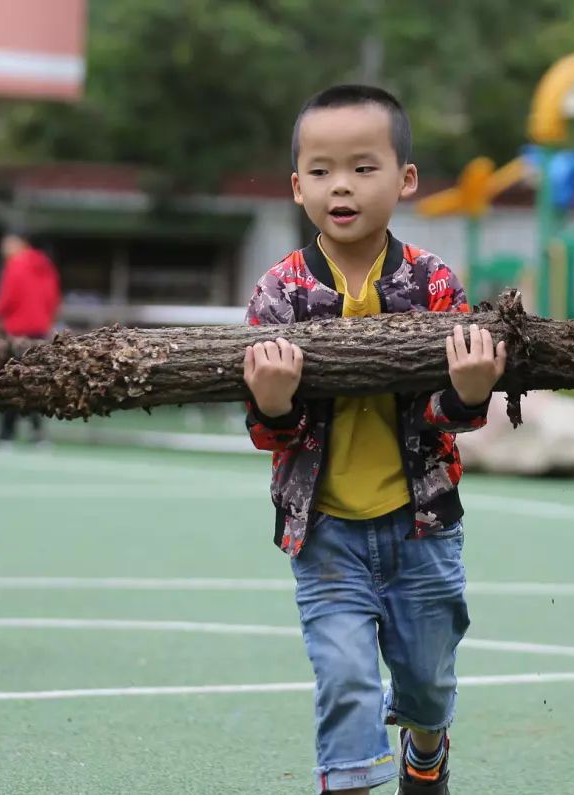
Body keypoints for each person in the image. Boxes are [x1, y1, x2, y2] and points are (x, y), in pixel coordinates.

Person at [242, 85, 506, 795]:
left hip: (422, 526)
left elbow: (447, 419)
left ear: (405, 179)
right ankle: (351, 779)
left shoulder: (433, 284)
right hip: (325, 532)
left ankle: (427, 747)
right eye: (322, 171)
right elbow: (271, 432)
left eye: (364, 167)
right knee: (347, 678)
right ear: (298, 187)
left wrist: (470, 392)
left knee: (426, 677)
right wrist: (273, 403)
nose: (342, 186)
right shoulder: (280, 293)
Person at [0, 230, 61, 445]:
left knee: (11, 380)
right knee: (35, 380)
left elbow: (8, 300)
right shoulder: (45, 265)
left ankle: (6, 433)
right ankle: (38, 434)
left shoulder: (15, 264)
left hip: (17, 332)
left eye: (7, 243)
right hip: (39, 331)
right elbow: (53, 299)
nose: (3, 248)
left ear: (20, 243)